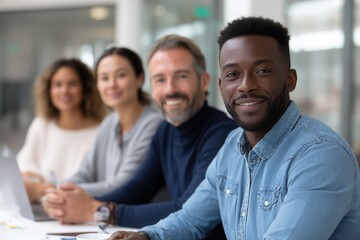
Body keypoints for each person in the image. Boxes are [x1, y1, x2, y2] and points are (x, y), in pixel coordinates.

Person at [109, 16, 360, 240]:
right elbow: (189, 221)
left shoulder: (321, 154)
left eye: (262, 71)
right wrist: (146, 237)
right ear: (220, 85)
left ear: (290, 79)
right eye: (232, 75)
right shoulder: (232, 146)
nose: (245, 86)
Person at [42, 35, 237, 239]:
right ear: (152, 89)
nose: (170, 89)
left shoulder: (223, 134)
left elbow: (185, 210)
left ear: (204, 81)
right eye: (160, 79)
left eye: (181, 76)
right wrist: (68, 202)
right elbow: (136, 189)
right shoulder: (165, 131)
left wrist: (98, 210)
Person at [62, 47, 163, 197]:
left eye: (121, 75)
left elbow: (123, 185)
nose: (112, 85)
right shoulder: (108, 123)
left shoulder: (155, 125)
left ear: (139, 79)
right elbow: (85, 171)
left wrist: (71, 192)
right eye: (104, 78)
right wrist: (60, 188)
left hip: (135, 217)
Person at [18, 58, 107, 202]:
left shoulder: (102, 130)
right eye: (58, 84)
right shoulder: (42, 124)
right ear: (49, 89)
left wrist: (41, 188)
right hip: (42, 208)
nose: (64, 91)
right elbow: (25, 165)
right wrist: (41, 186)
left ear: (85, 88)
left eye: (72, 84)